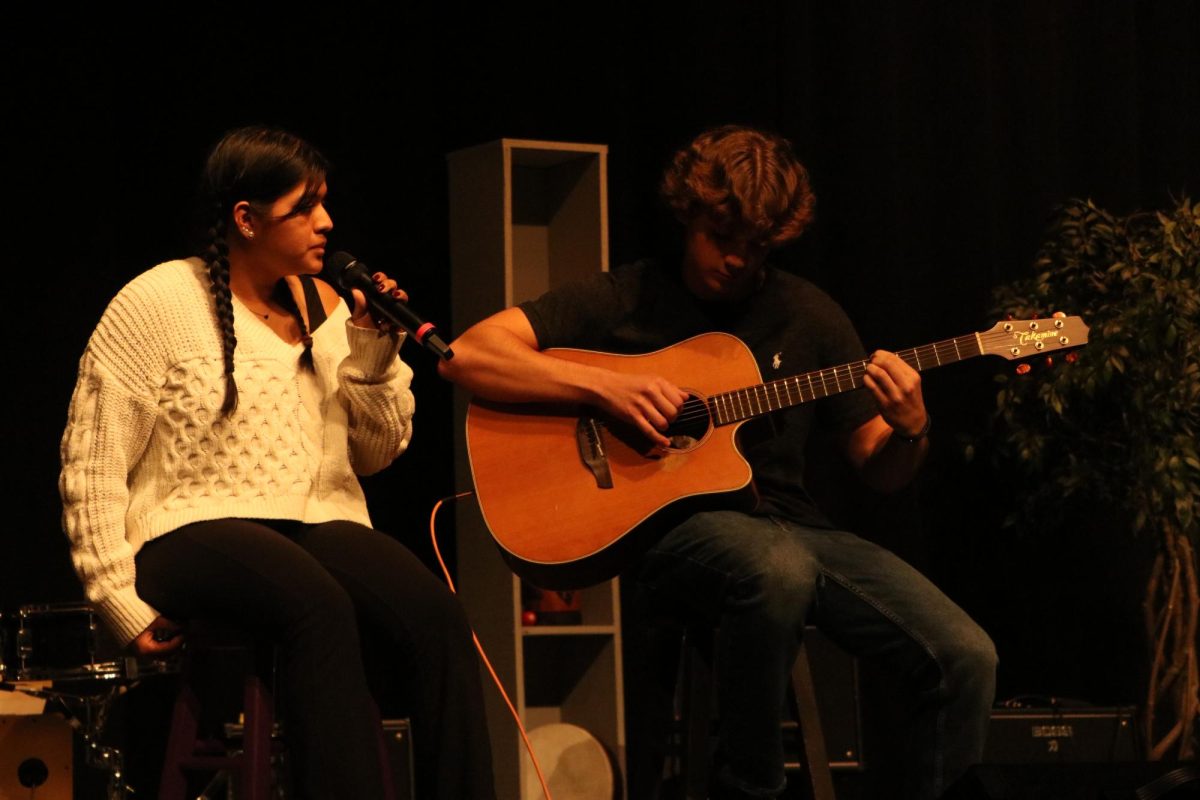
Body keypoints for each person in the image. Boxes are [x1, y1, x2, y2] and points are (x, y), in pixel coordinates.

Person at [439, 125, 996, 799]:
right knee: (774, 568)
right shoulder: (629, 296)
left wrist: (910, 431)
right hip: (679, 535)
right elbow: (468, 355)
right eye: (721, 238)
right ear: (689, 217)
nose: (735, 259)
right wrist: (606, 386)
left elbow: (878, 468)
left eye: (754, 247)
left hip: (795, 528)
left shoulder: (808, 315)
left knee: (964, 655)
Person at [58, 125, 495, 799]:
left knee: (435, 615)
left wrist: (373, 350)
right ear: (247, 219)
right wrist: (118, 600)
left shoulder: (323, 306)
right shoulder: (158, 302)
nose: (327, 223)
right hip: (185, 530)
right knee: (313, 603)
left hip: (314, 524)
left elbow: (376, 456)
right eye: (305, 208)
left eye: (326, 204)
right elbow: (91, 463)